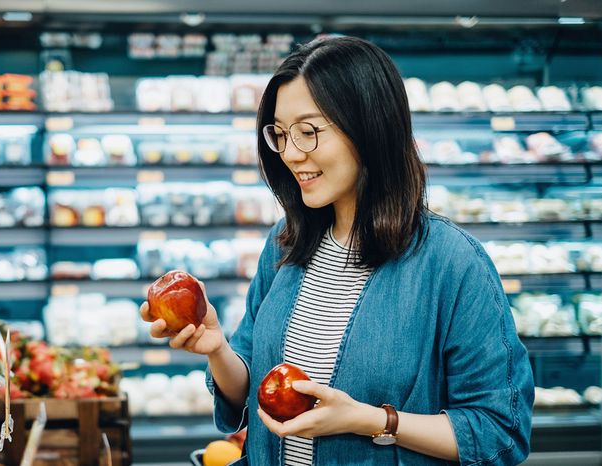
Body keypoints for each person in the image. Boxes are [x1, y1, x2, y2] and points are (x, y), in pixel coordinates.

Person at [140, 35, 534, 465]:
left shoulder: (452, 264)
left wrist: (371, 420)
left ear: (370, 126)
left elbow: (499, 430)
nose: (291, 154)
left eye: (308, 132)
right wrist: (217, 349)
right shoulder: (285, 244)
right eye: (280, 134)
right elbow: (249, 390)